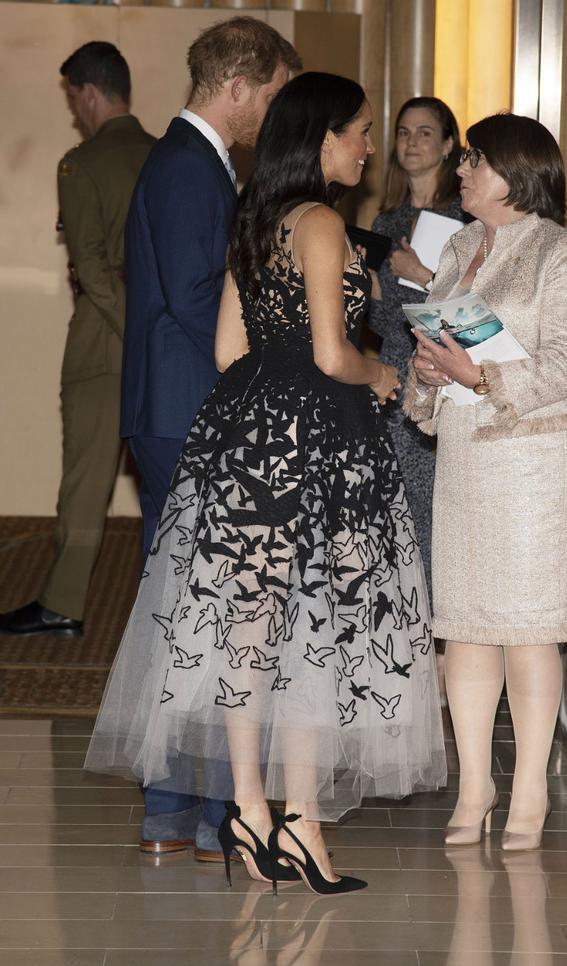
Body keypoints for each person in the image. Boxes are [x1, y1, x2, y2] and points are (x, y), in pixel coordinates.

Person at [85, 71, 446, 894]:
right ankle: (305, 823)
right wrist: (383, 376)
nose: (366, 146)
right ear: (323, 138)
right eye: (358, 131)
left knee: (252, 630)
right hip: (318, 439)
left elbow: (225, 353)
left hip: (247, 437)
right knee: (321, 633)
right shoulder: (321, 221)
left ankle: (249, 812)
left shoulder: (257, 219)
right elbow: (330, 353)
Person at [119, 16, 301, 861]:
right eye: (269, 95)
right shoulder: (193, 167)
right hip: (191, 405)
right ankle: (195, 809)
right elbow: (199, 300)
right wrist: (271, 367)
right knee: (210, 613)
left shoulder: (187, 160)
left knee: (190, 612)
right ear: (238, 87)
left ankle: (182, 811)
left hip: (173, 404)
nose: (270, 113)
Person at [404, 113, 567, 850]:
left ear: (517, 173)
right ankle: (474, 785)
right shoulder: (458, 246)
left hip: (536, 462)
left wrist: (479, 371)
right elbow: (433, 344)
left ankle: (527, 794)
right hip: (466, 450)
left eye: (474, 161)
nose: (460, 172)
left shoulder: (563, 250)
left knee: (526, 628)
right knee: (464, 627)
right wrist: (428, 373)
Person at [0, 43, 155, 639]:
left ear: (88, 93)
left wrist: (128, 329)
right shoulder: (166, 157)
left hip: (101, 344)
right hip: (163, 344)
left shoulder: (81, 163)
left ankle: (63, 603)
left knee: (86, 483)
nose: (74, 111)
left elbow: (89, 268)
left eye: (72, 98)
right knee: (169, 480)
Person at [368, 97, 465, 603]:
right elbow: (382, 318)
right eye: (403, 132)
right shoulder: (386, 222)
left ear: (449, 145)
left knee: (432, 505)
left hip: (442, 373)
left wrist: (421, 278)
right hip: (392, 371)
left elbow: (474, 313)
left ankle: (435, 620)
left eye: (425, 132)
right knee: (392, 504)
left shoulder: (464, 222)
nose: (411, 142)